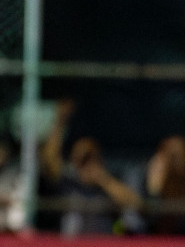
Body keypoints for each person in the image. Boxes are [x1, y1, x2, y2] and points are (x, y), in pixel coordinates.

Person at [39, 100, 141, 236]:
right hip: (72, 246)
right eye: (81, 160)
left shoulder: (109, 182)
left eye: (90, 158)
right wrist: (60, 122)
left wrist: (103, 180)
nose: (86, 165)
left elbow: (136, 204)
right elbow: (49, 160)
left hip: (101, 246)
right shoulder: (69, 180)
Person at [144, 135, 185, 236]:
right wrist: (155, 184)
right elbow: (146, 221)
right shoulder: (146, 186)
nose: (173, 161)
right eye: (170, 155)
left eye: (178, 155)